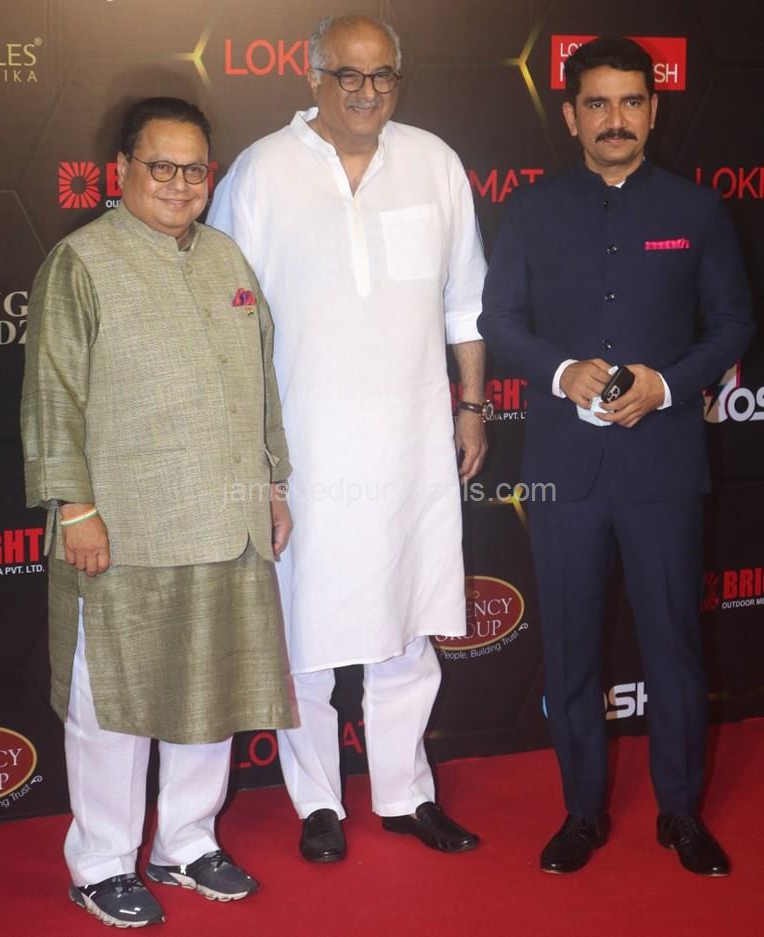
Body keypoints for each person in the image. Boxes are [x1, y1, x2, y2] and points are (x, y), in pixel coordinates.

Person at [208, 14, 487, 862]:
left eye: (382, 76)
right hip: (304, 447)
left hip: (411, 442)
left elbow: (464, 302)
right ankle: (318, 802)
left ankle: (406, 793)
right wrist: (253, 453)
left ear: (398, 78)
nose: (367, 93)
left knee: (408, 623)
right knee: (307, 631)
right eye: (349, 76)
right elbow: (228, 320)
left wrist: (472, 406)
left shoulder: (434, 162)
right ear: (313, 77)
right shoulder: (261, 172)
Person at [479, 38, 754, 876]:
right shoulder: (531, 210)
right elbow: (499, 321)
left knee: (673, 645)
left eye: (631, 102)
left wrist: (667, 386)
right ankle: (582, 811)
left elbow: (732, 324)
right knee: (570, 649)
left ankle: (682, 813)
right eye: (597, 104)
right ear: (570, 116)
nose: (615, 119)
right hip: (564, 469)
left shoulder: (698, 209)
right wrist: (561, 370)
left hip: (663, 468)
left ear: (653, 109)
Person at [21, 97, 294, 927]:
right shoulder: (82, 262)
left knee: (210, 686)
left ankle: (186, 841)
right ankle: (101, 862)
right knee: (113, 699)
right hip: (124, 526)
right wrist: (75, 508)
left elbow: (262, 383)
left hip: (229, 518)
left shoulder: (226, 257)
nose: (179, 184)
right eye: (160, 166)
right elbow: (53, 395)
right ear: (122, 171)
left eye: (194, 169)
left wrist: (274, 483)